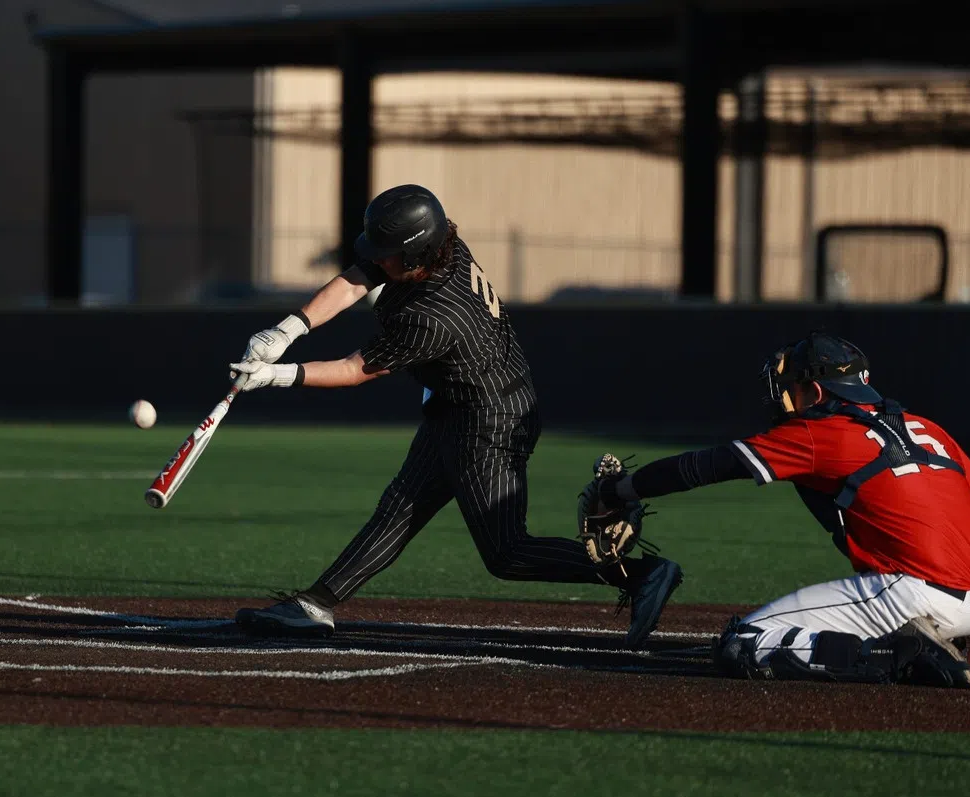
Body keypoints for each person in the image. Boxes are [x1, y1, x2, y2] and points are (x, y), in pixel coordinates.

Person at [227, 184, 683, 648]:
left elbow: (353, 369)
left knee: (507, 554)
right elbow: (359, 275)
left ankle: (641, 573)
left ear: (413, 256)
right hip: (461, 404)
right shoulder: (441, 247)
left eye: (388, 254)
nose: (377, 261)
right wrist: (286, 331)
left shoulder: (432, 316)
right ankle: (315, 604)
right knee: (400, 507)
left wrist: (277, 376)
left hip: (490, 421)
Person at [582, 332, 970, 689]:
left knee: (744, 642)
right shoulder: (926, 426)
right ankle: (915, 639)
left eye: (794, 387)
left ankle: (899, 654)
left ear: (817, 390)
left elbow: (706, 466)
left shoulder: (819, 432)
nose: (786, 397)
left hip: (921, 593)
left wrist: (619, 490)